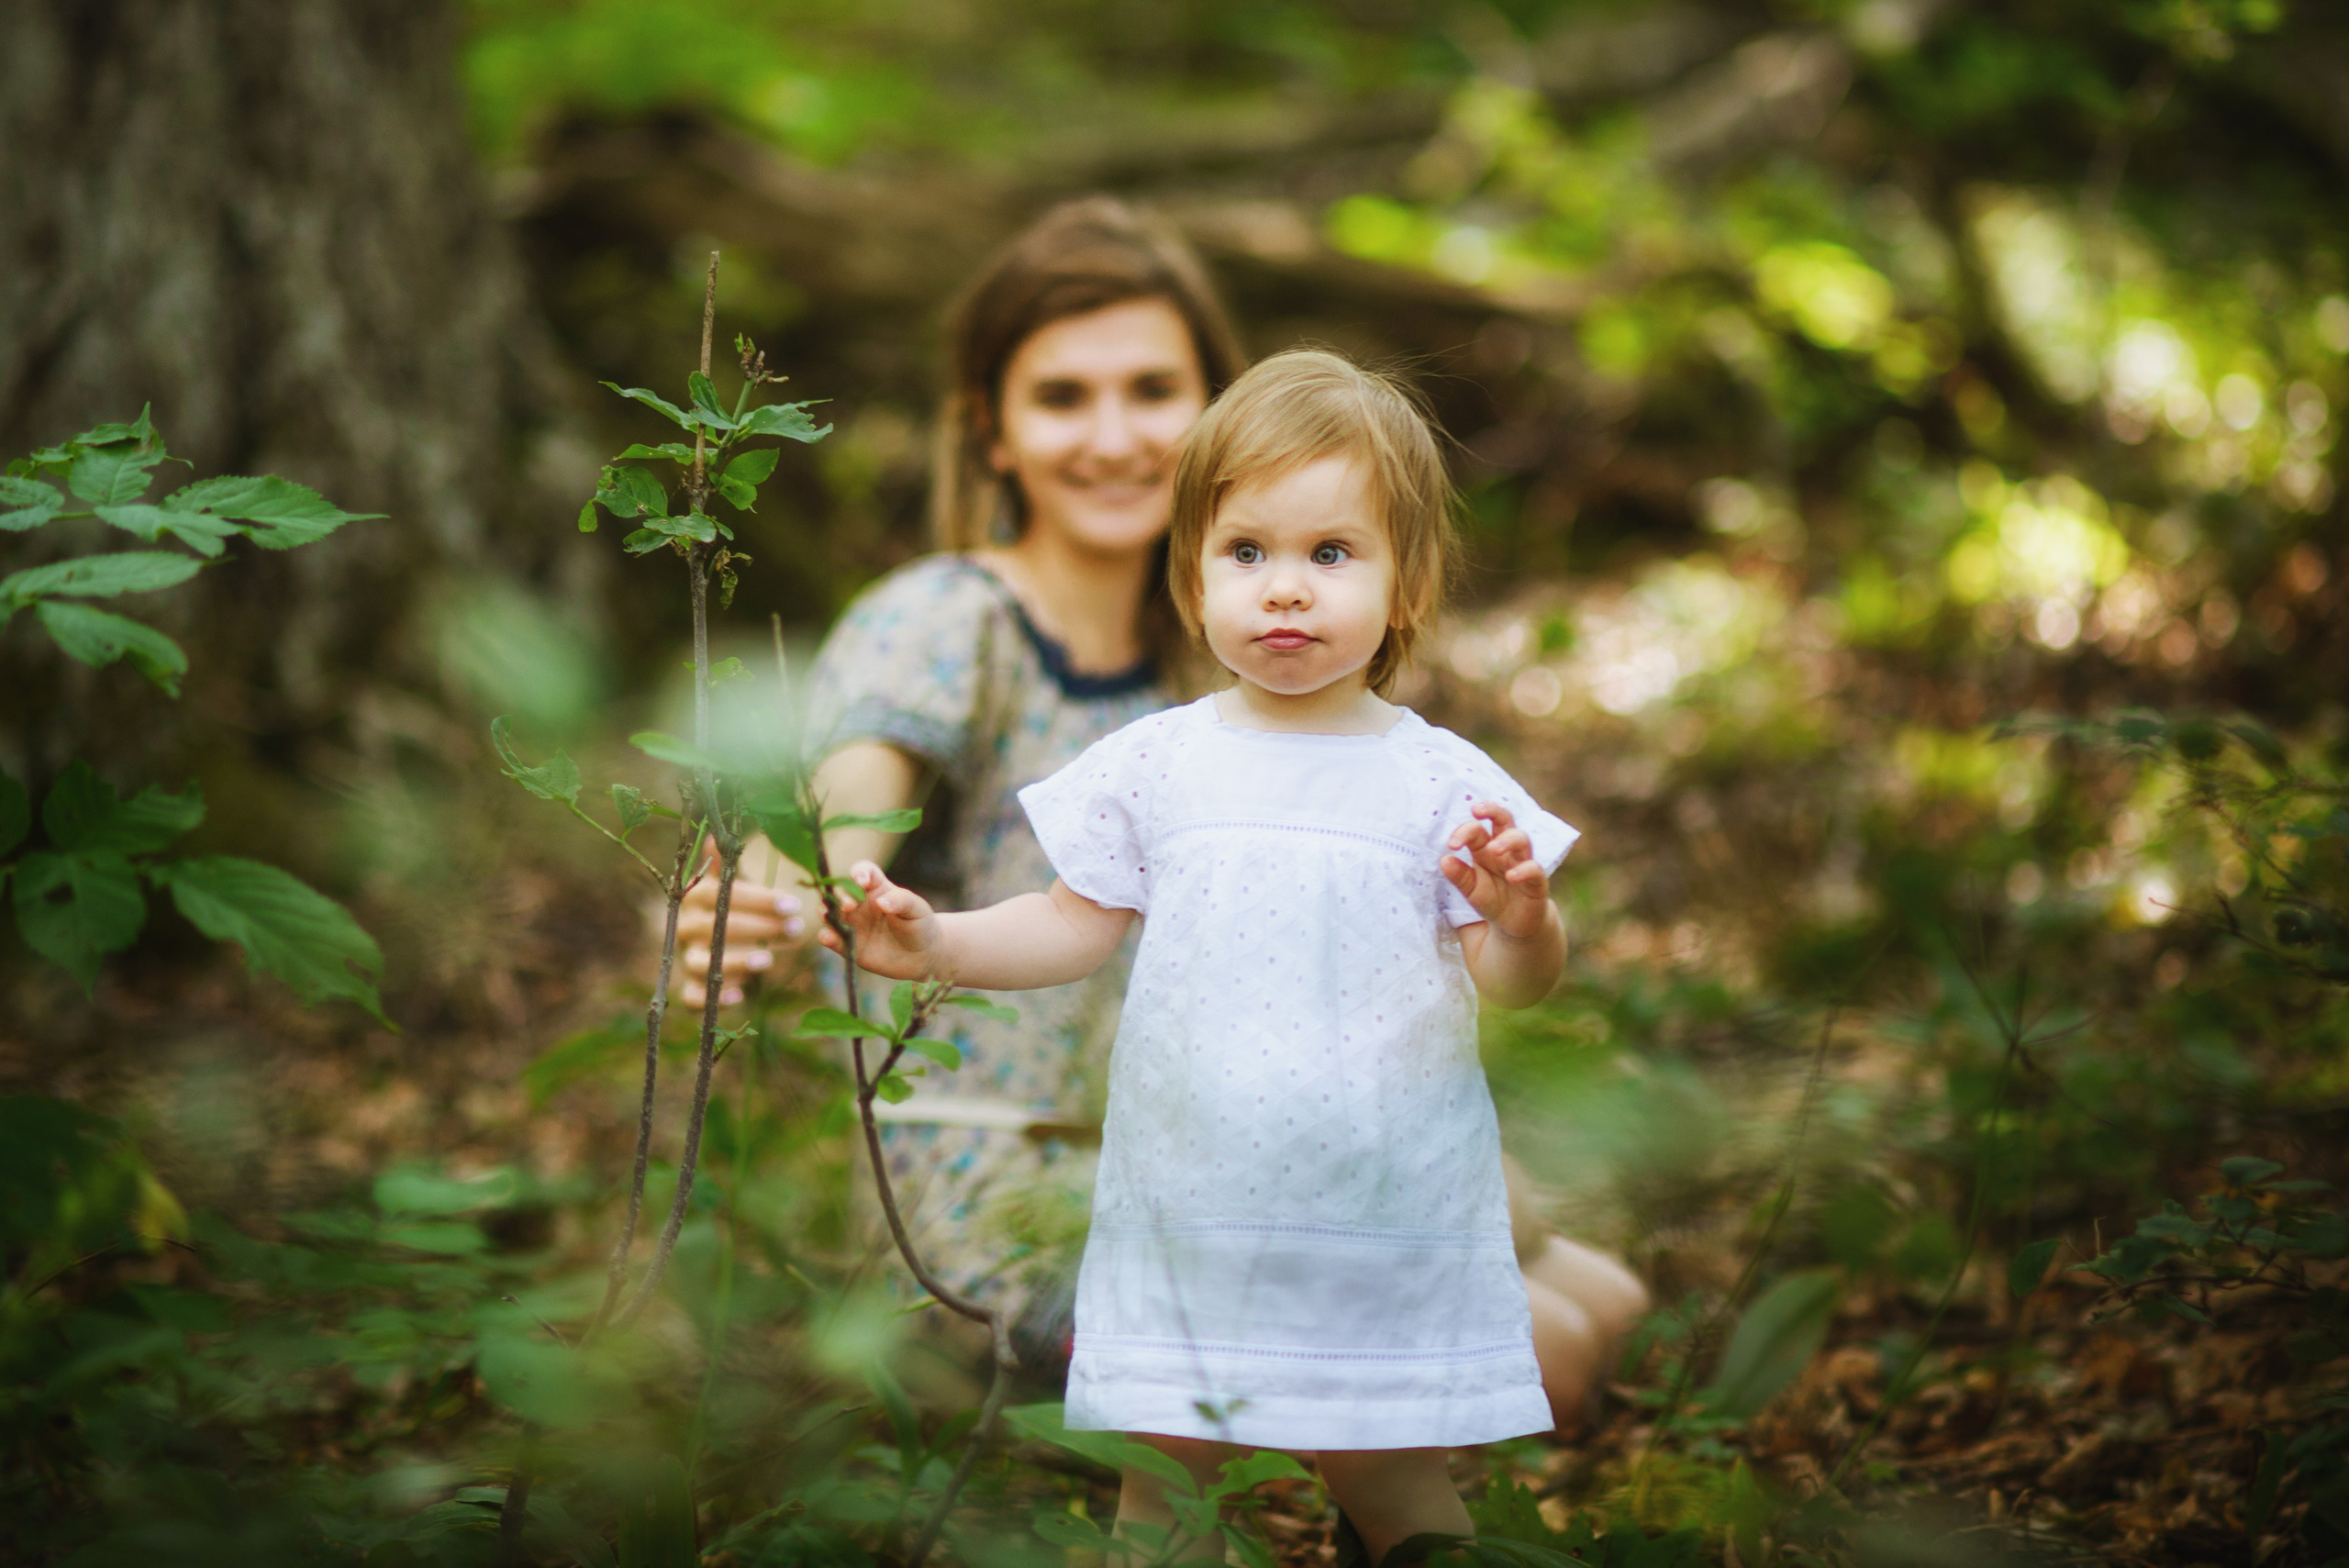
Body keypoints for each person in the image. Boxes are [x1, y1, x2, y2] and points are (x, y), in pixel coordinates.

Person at [675, 198, 1645, 1429]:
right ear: (991, 431)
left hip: (1248, 1142)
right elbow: (840, 814)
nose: (1114, 435)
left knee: (1604, 1293)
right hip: (1012, 1183)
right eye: (1062, 397)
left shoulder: (1248, 644)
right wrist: (774, 906)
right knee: (1548, 1350)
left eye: (1152, 389)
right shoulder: (949, 616)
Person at [820, 349, 1575, 1558]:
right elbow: (1070, 921)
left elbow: (1514, 981)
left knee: (1390, 1477)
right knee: (1165, 1485)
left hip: (1380, 1205)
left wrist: (1525, 920)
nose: (1287, 590)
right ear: (1194, 575)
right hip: (1189, 1202)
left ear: (1409, 583)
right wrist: (935, 940)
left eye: (1332, 554)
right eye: (1247, 552)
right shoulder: (1159, 763)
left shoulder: (1439, 780)